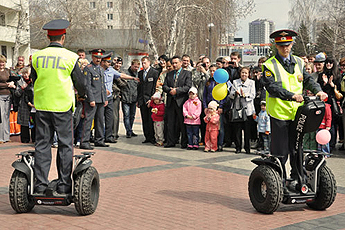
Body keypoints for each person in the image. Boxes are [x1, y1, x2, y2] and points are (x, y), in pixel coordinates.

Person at [261, 29, 327, 181]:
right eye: (282, 45)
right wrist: (292, 96)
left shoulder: (299, 62)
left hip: (297, 113)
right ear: (276, 46)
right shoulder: (269, 65)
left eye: (288, 45)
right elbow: (272, 87)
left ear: (291, 45)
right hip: (279, 114)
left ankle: (298, 178)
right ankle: (279, 181)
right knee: (281, 150)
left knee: (297, 148)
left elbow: (308, 79)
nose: (285, 48)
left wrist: (318, 91)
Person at [31, 19, 86, 194]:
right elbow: (81, 83)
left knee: (42, 145)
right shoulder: (70, 57)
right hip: (62, 107)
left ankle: (40, 185)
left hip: (42, 106)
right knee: (65, 145)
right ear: (63, 37)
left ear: (48, 37)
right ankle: (63, 185)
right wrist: (82, 95)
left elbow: (34, 79)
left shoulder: (37, 56)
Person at [80, 48, 109, 150]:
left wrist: (105, 98)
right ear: (92, 57)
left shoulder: (101, 69)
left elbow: (102, 85)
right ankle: (84, 141)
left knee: (100, 120)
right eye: (96, 57)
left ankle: (99, 140)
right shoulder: (88, 68)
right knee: (88, 121)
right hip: (92, 99)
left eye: (100, 58)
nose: (98, 59)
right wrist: (91, 99)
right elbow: (87, 85)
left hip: (100, 99)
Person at [163, 55, 192, 148]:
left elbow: (188, 86)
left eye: (176, 63)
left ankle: (184, 142)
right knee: (170, 123)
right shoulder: (169, 74)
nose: (174, 65)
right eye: (173, 63)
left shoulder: (187, 73)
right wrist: (169, 90)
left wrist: (177, 90)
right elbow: (164, 86)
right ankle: (171, 141)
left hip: (181, 101)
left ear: (180, 63)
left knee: (182, 123)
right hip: (171, 101)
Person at [229, 66, 256, 154]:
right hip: (238, 109)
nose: (244, 74)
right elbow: (230, 95)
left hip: (247, 109)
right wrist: (235, 94)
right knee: (237, 130)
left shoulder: (252, 83)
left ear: (248, 74)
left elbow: (253, 95)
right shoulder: (235, 82)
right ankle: (238, 147)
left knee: (247, 131)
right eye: (242, 73)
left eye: (246, 73)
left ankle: (247, 148)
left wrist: (245, 95)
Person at [137, 56, 159, 144]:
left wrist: (152, 99)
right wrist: (138, 100)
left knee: (151, 119)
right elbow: (139, 87)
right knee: (144, 119)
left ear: (149, 62)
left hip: (151, 99)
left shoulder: (154, 72)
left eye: (145, 63)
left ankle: (153, 137)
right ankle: (147, 136)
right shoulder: (140, 73)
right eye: (142, 63)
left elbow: (155, 87)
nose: (143, 64)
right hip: (142, 99)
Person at [15, 67, 35, 143]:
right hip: (23, 104)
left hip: (33, 104)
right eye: (24, 73)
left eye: (27, 73)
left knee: (34, 122)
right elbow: (17, 93)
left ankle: (34, 138)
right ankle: (25, 139)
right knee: (24, 122)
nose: (26, 75)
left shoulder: (33, 81)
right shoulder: (20, 82)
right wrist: (22, 89)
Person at [100, 53, 118, 143]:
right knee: (100, 119)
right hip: (100, 98)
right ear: (103, 62)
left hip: (109, 97)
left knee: (109, 117)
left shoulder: (111, 70)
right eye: (108, 62)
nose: (109, 63)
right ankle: (100, 137)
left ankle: (108, 136)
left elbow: (121, 75)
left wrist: (133, 78)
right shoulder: (98, 70)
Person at [0, 54, 16, 143]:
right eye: (0, 62)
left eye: (3, 62)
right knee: (1, 116)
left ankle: (6, 136)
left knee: (6, 116)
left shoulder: (8, 71)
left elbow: (15, 78)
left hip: (8, 95)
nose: (2, 64)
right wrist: (7, 85)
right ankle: (1, 138)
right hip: (0, 95)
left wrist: (13, 82)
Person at [123, 59, 140, 138]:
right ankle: (128, 131)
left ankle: (130, 129)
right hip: (125, 98)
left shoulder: (138, 74)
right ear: (132, 65)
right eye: (135, 66)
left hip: (134, 98)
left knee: (132, 116)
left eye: (138, 67)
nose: (136, 68)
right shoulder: (125, 73)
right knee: (126, 115)